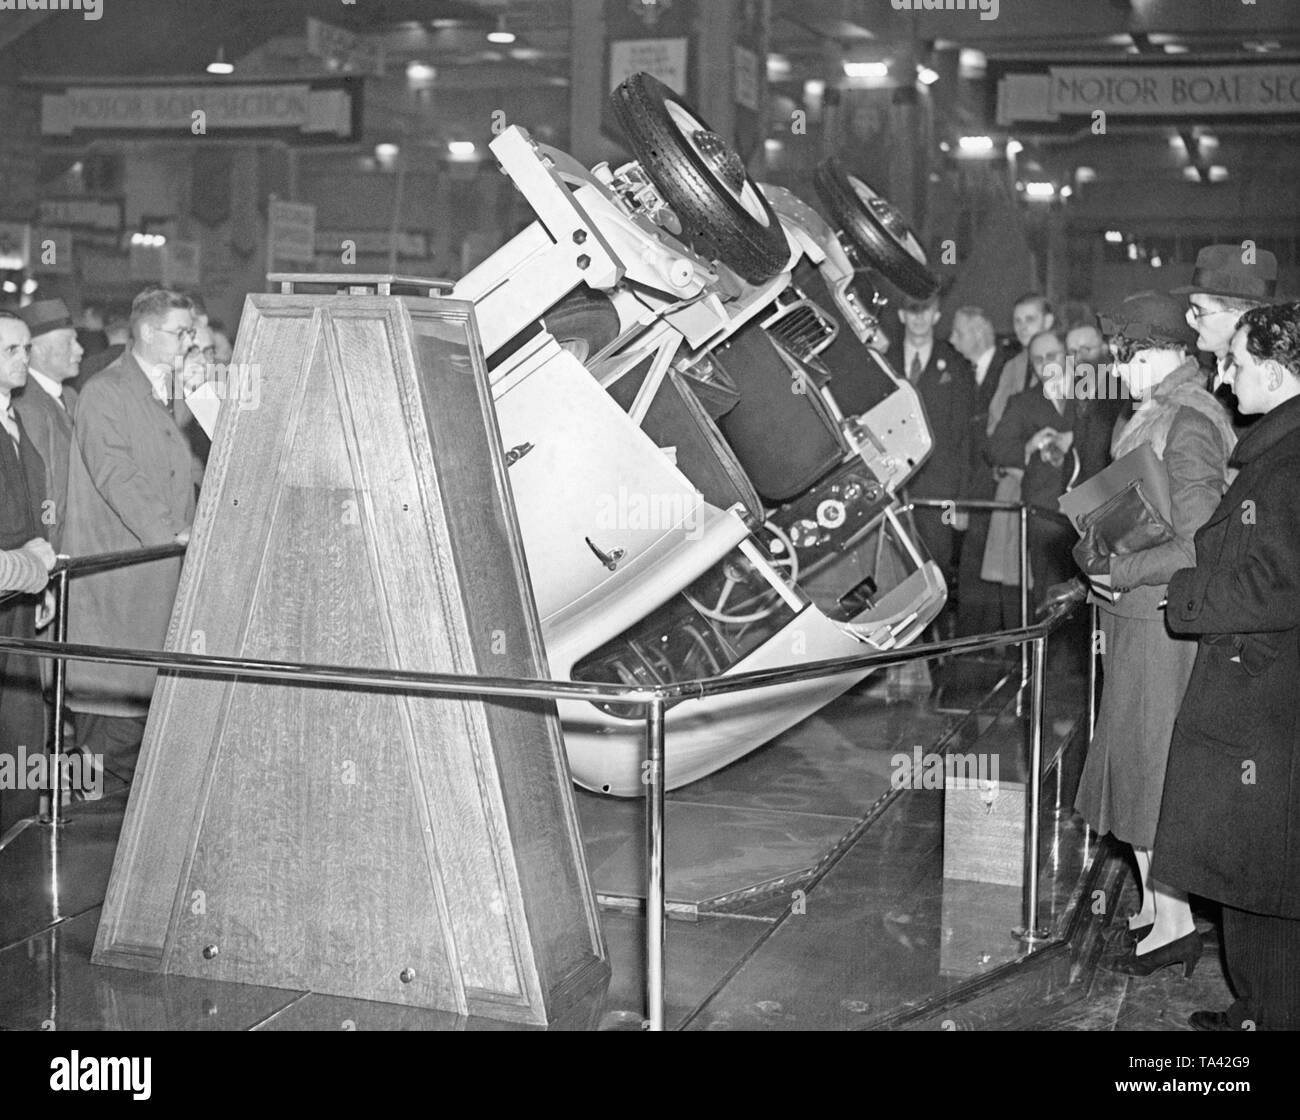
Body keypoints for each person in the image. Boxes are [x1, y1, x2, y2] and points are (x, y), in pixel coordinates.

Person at [1070, 292, 1237, 979]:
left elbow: (1202, 545)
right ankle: (1156, 905)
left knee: (1152, 771)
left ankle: (1172, 923)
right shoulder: (1153, 414)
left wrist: (1121, 570)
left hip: (1162, 624)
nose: (1124, 368)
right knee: (1138, 765)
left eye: (1136, 355)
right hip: (1139, 619)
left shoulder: (1188, 423)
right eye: (1122, 355)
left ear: (1172, 353)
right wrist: (1098, 562)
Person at [1154, 302, 1300, 1031]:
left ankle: (1268, 1019)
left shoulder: (1290, 458)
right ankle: (1258, 1009)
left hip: (1264, 698)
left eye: (1235, 363)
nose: (1222, 373)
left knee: (1264, 876)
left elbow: (1279, 582)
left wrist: (1186, 597)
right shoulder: (1276, 448)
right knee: (1251, 872)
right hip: (1262, 694)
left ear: (1275, 370)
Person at [61, 287, 204, 783]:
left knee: (144, 744)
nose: (190, 341)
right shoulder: (107, 392)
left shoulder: (170, 391)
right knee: (109, 742)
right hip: (122, 585)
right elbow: (116, 474)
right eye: (180, 332)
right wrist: (172, 533)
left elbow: (192, 468)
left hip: (159, 581)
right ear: (146, 332)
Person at [0, 311, 53, 830]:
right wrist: (30, 567)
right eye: (10, 350)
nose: (23, 358)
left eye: (26, 348)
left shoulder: (19, 420)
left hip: (19, 601)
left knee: (21, 734)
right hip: (8, 586)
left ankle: (15, 847)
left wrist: (43, 583)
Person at [988, 329, 1083, 598]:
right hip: (1045, 513)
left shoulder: (1093, 393)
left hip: (1087, 508)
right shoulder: (1022, 402)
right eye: (1038, 359)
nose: (1045, 364)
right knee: (1048, 594)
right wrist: (1028, 446)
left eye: (1052, 356)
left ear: (1067, 356)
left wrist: (1072, 439)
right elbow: (995, 450)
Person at [895, 293, 976, 606]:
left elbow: (965, 437)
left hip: (939, 491)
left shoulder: (955, 364)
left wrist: (962, 500)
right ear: (902, 315)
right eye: (911, 310)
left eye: (925, 310)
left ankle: (935, 652)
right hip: (893, 488)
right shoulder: (881, 360)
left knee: (935, 574)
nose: (918, 318)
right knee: (896, 574)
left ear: (937, 315)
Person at [981, 294, 1056, 604]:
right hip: (1014, 483)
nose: (1023, 327)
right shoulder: (1012, 367)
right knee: (1014, 583)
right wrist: (1009, 461)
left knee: (1047, 582)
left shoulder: (1070, 364)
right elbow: (993, 429)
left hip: (1051, 490)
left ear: (1048, 322)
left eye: (1031, 319)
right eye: (1017, 321)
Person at [948, 306, 1011, 637]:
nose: (952, 340)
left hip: (996, 493)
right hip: (974, 495)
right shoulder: (964, 374)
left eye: (958, 333)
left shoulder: (1008, 371)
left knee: (990, 584)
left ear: (979, 332)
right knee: (976, 581)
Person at [14, 299, 81, 549]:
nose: (79, 350)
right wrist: (49, 550)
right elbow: (44, 491)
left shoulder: (71, 397)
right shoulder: (28, 406)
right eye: (69, 342)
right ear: (39, 350)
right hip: (57, 543)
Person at [1173, 243, 1278, 384]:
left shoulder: (1259, 387)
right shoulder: (1210, 377)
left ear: (1241, 315)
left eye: (1199, 310)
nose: (1188, 318)